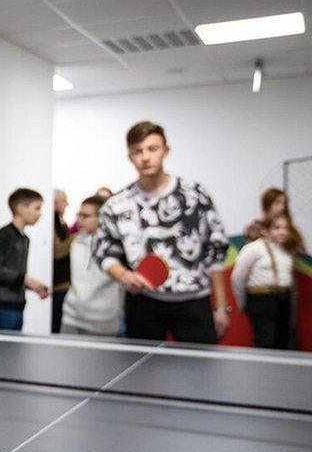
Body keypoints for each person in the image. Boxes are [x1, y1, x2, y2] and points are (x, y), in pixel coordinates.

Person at [94, 121, 230, 344]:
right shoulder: (117, 205)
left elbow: (216, 252)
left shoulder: (195, 195)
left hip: (193, 302)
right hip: (143, 303)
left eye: (152, 149)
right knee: (142, 375)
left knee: (199, 373)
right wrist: (124, 275)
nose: (145, 157)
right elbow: (105, 253)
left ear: (166, 151)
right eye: (138, 151)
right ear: (130, 156)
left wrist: (221, 307)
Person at [0, 188, 50, 331]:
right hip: (2, 305)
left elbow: (15, 274)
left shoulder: (25, 239)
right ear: (21, 208)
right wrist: (26, 279)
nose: (39, 213)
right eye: (37, 208)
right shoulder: (5, 234)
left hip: (17, 304)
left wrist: (34, 286)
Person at [232, 214, 298, 349]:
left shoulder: (286, 250)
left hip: (283, 298)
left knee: (283, 341)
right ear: (265, 230)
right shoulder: (253, 249)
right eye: (277, 228)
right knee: (266, 340)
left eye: (286, 228)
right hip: (261, 298)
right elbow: (238, 278)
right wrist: (243, 302)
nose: (283, 232)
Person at [61, 196, 122, 336]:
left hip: (102, 321)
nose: (79, 220)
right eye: (79, 215)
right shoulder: (76, 242)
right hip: (71, 317)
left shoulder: (116, 247)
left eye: (86, 216)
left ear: (102, 218)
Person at [244, 188, 306, 254]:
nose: (282, 207)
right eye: (277, 203)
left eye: (284, 203)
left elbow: (300, 251)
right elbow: (250, 251)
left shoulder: (288, 228)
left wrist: (287, 240)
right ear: (267, 205)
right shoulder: (255, 229)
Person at [51, 189, 71, 333]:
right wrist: (77, 238)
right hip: (58, 286)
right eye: (64, 200)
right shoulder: (50, 223)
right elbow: (57, 251)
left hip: (65, 285)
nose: (67, 203)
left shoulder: (61, 223)